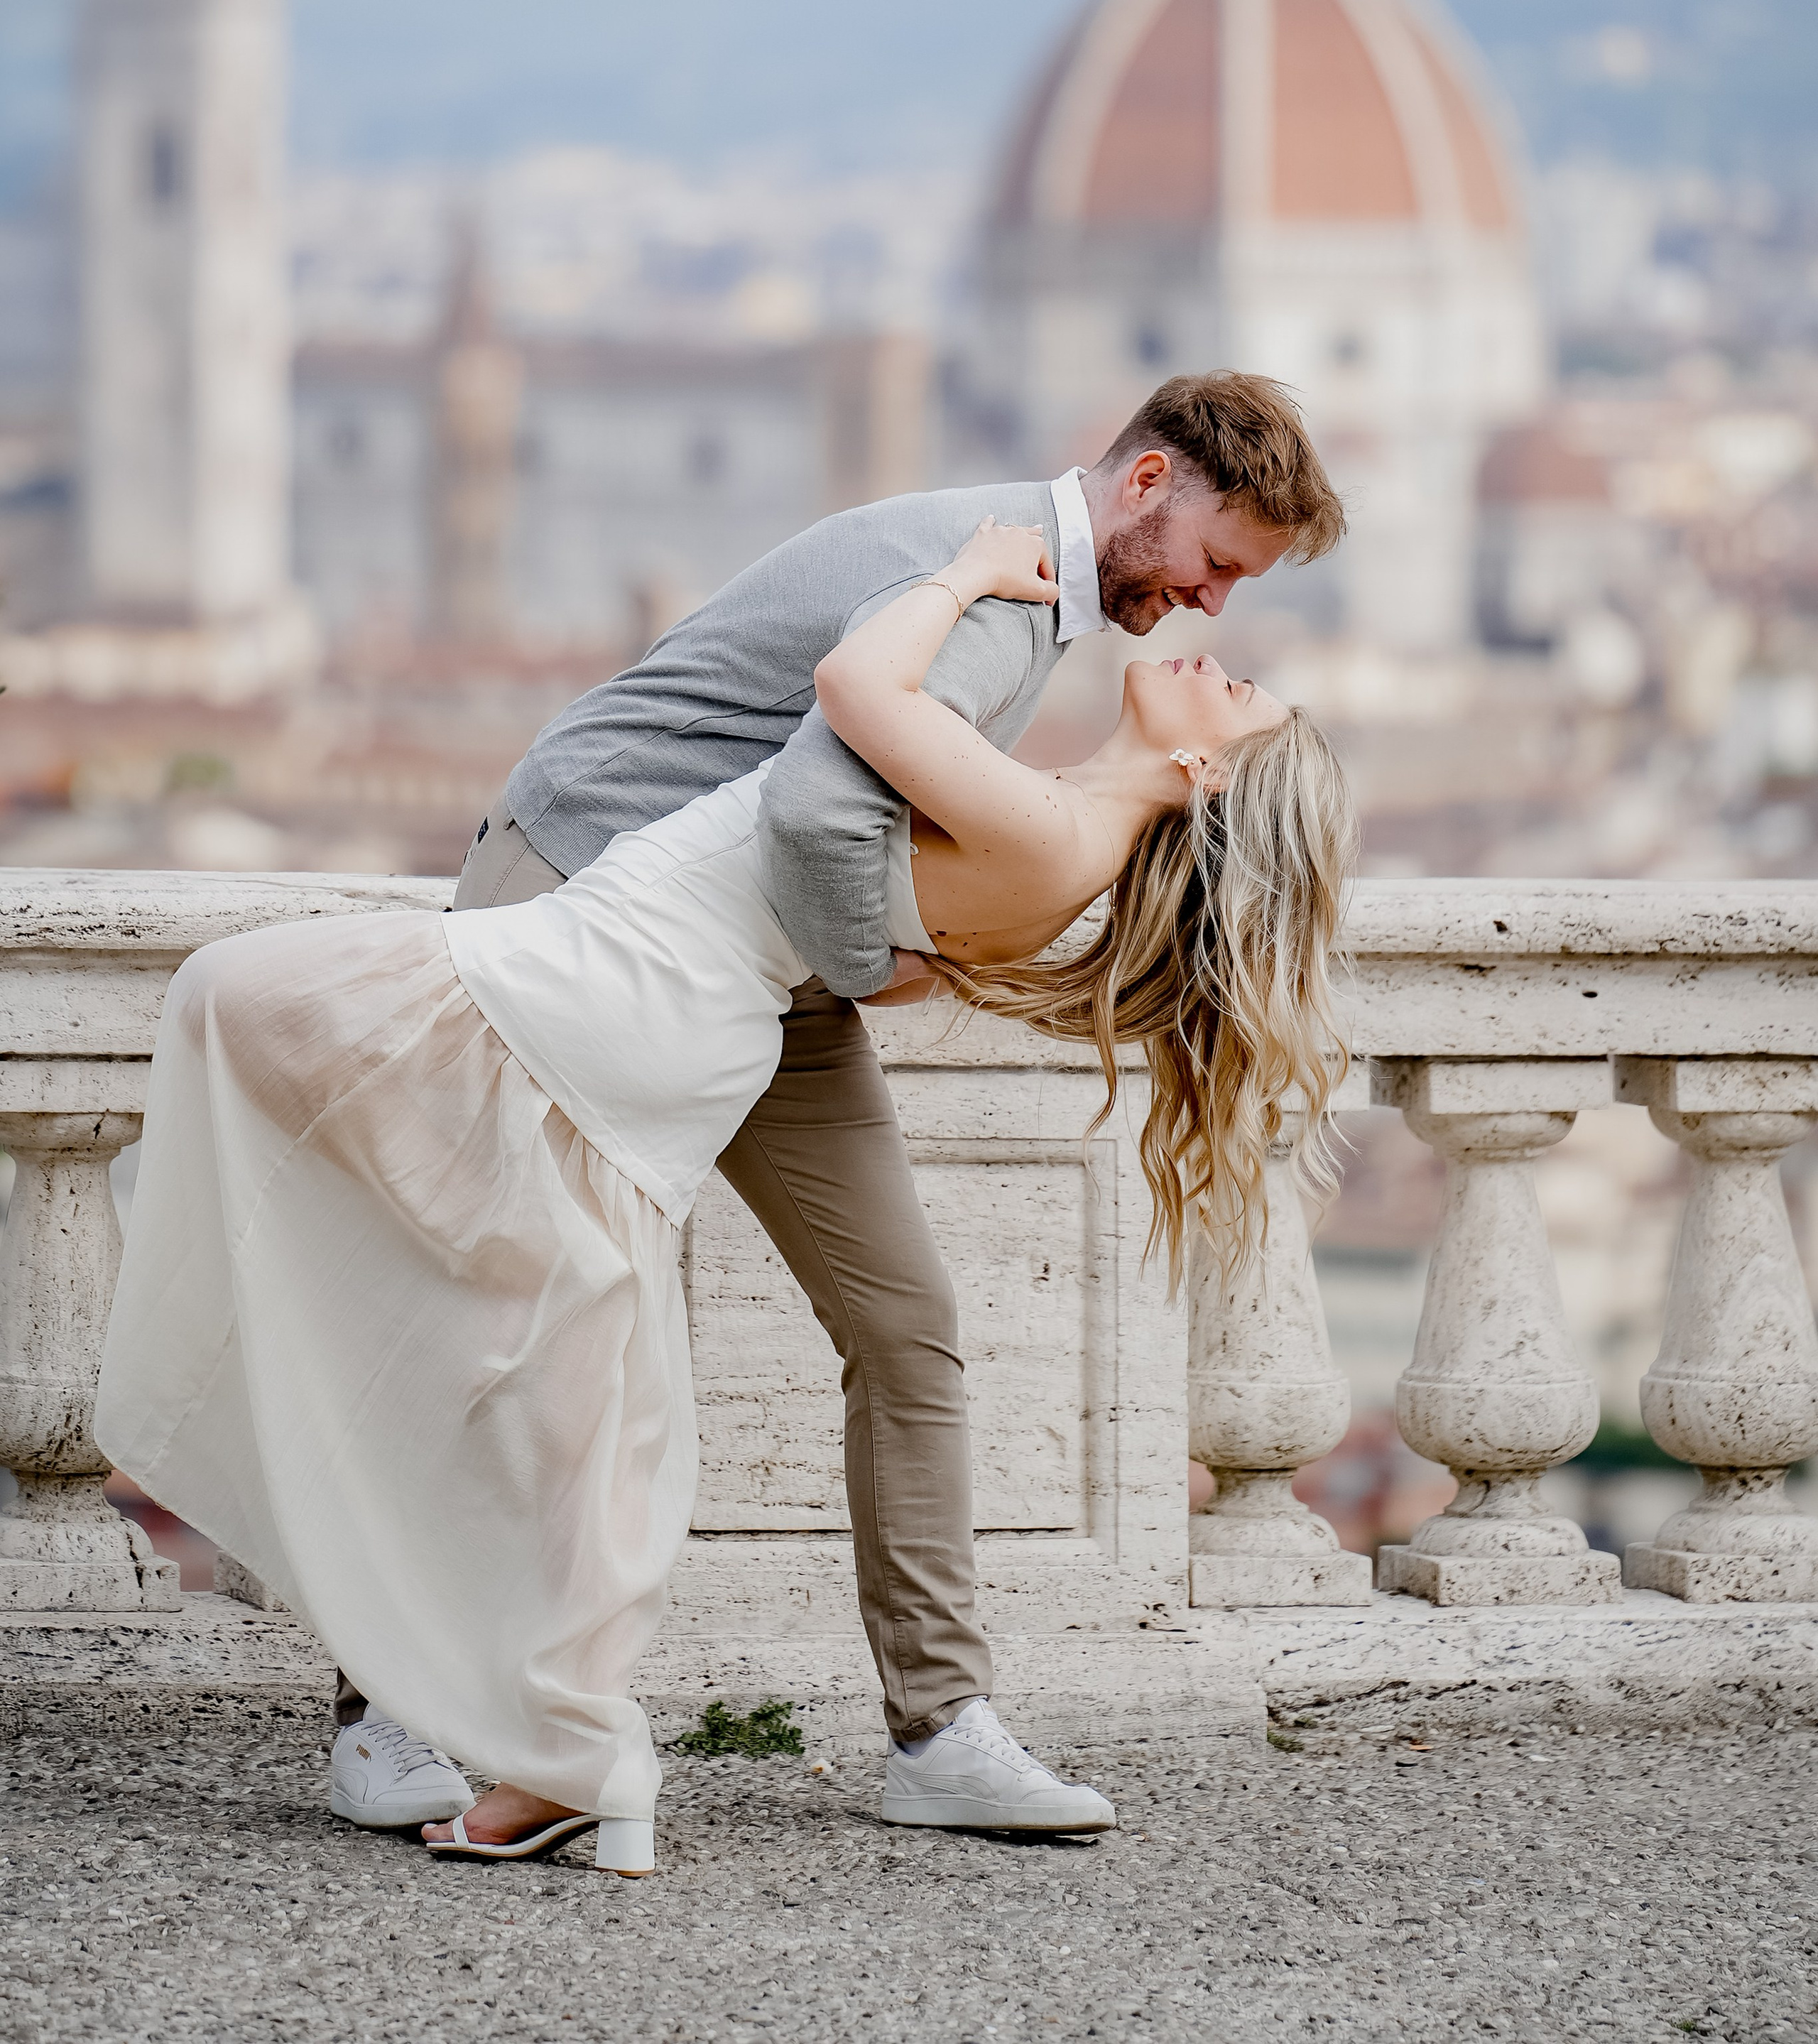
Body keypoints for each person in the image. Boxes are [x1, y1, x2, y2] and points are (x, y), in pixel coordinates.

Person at [96, 509, 1354, 1874]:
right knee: (577, 1378)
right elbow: (893, 913)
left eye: (1239, 695)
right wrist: (881, 953)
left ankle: (531, 1728)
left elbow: (845, 716)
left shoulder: (1049, 798)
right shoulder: (1061, 828)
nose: (1218, 641)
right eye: (1224, 584)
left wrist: (960, 576)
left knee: (234, 1009)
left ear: (1203, 774)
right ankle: (563, 1757)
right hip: (669, 996)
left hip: (629, 984)